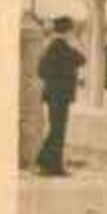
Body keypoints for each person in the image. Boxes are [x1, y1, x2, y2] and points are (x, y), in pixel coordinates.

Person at [36, 16, 87, 177]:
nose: (72, 33)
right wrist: (75, 43)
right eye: (71, 30)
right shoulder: (62, 46)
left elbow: (41, 71)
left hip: (53, 94)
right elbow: (82, 59)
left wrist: (53, 79)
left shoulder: (52, 46)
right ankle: (53, 166)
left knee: (55, 129)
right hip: (60, 95)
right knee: (58, 130)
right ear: (67, 31)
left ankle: (45, 161)